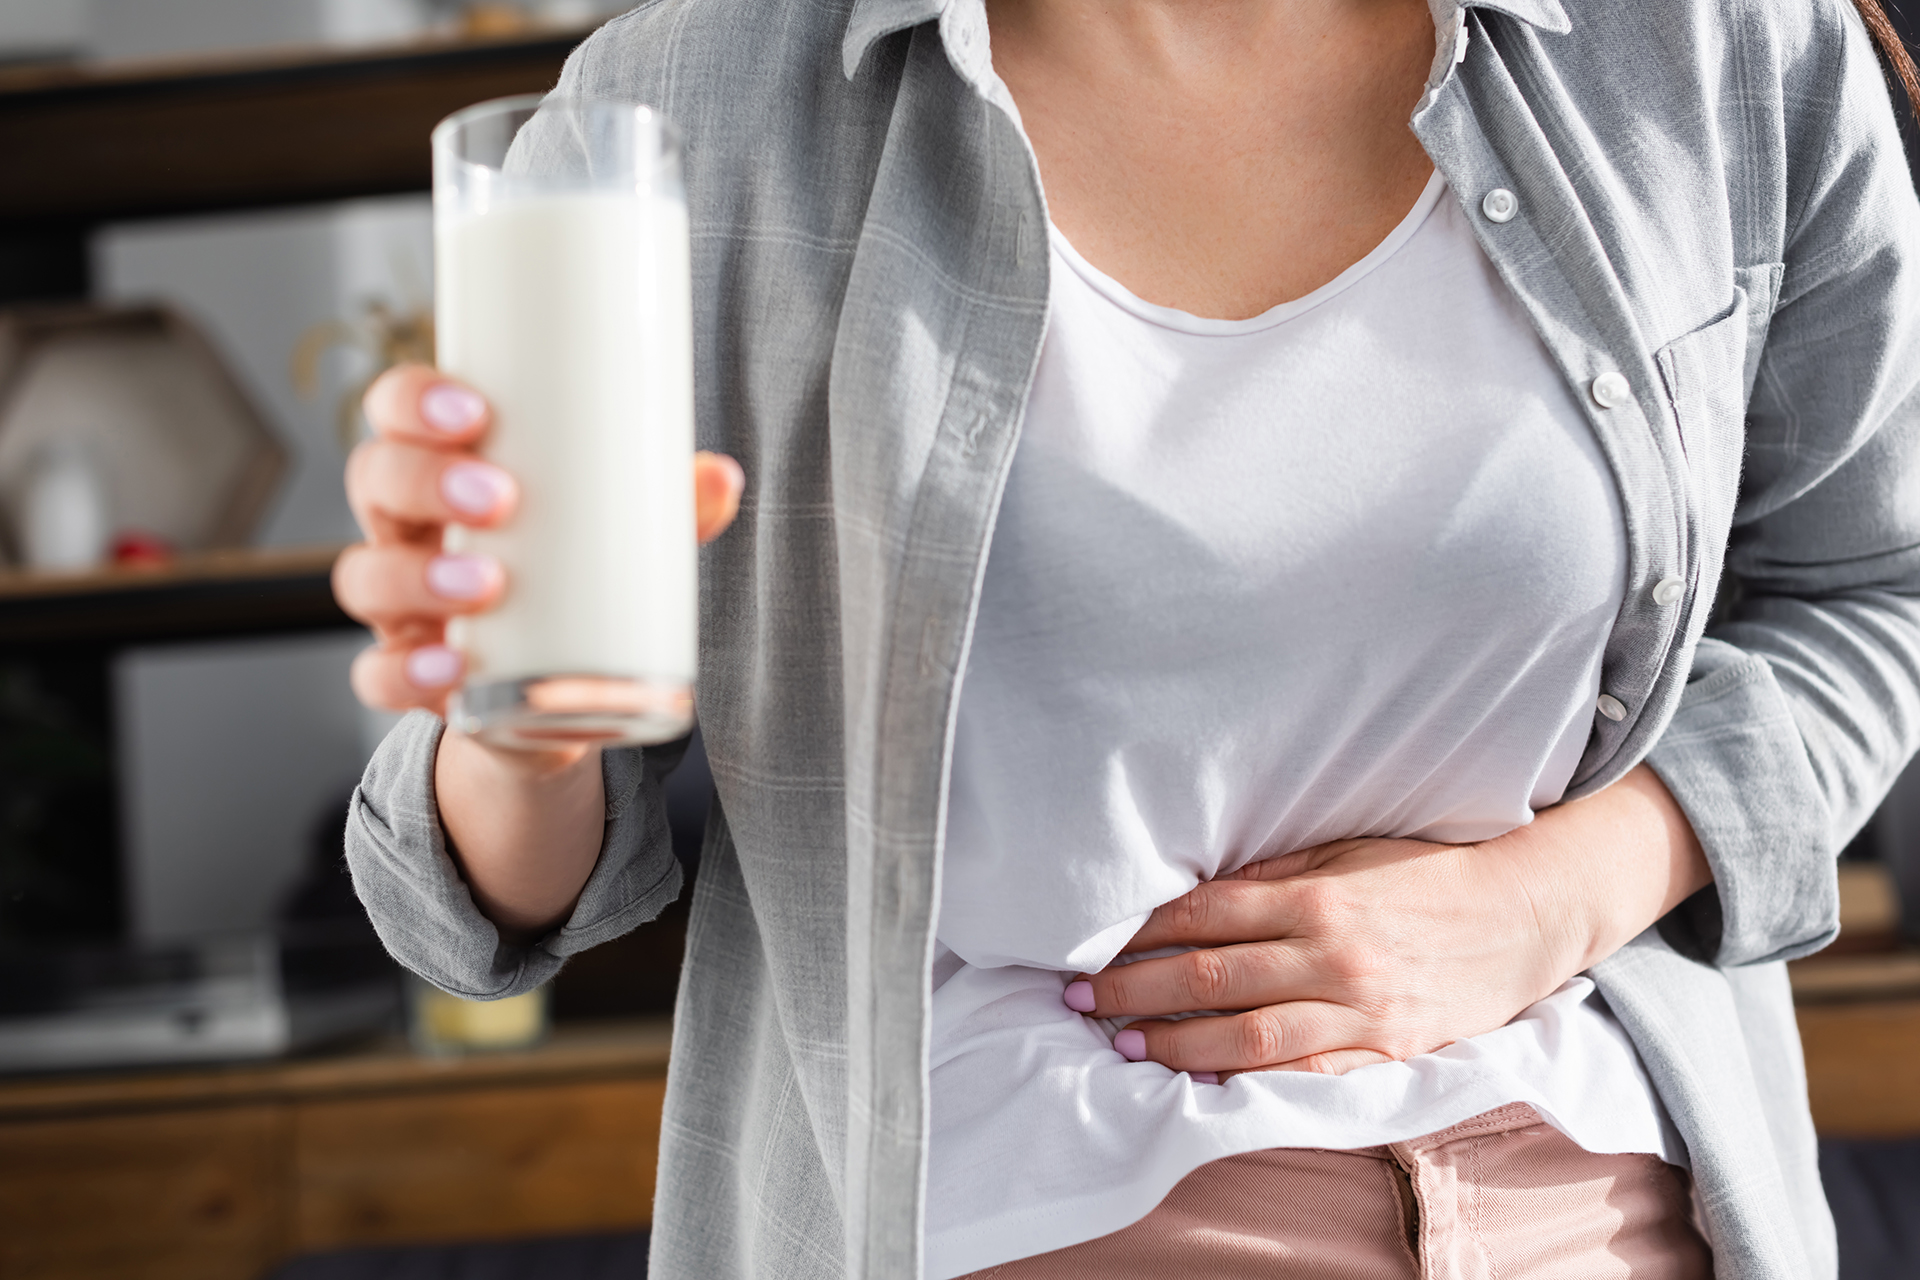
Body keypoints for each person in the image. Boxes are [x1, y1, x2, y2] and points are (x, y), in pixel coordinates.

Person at [335, 0, 1920, 1275]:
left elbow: (1880, 587)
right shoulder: (695, 102)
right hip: (1027, 1210)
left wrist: (1548, 898)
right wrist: (512, 731)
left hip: (1621, 1201)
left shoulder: (1721, 46)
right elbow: (484, 895)